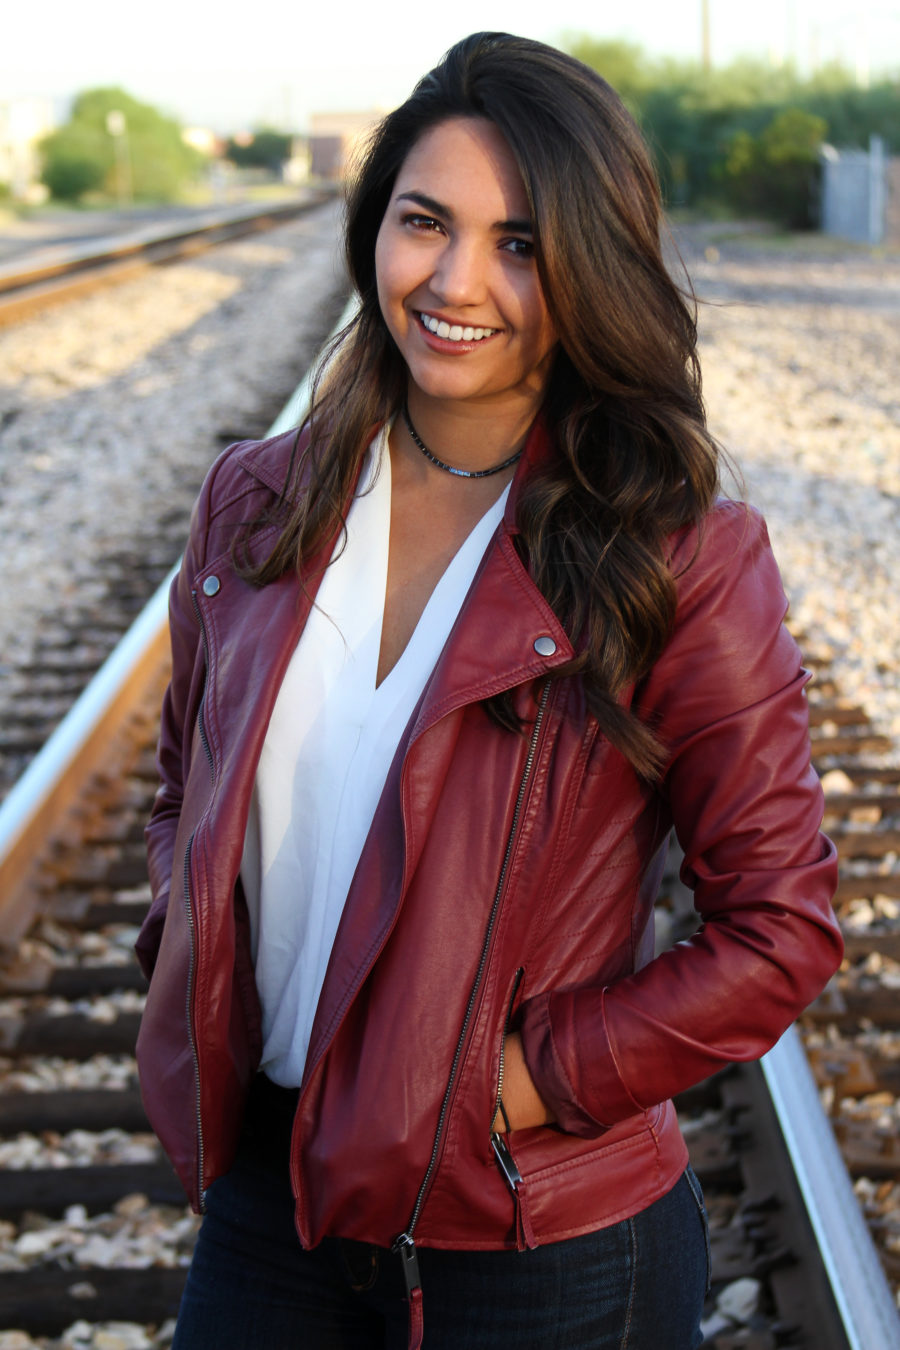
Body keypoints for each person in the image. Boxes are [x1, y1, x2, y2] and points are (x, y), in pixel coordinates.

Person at [135, 32, 842, 1350]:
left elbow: (780, 928)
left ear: (589, 266)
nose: (458, 281)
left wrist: (506, 1086)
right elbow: (187, 781)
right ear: (374, 231)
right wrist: (190, 970)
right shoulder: (255, 501)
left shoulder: (677, 552)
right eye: (424, 223)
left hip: (536, 1239)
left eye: (519, 242)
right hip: (267, 1203)